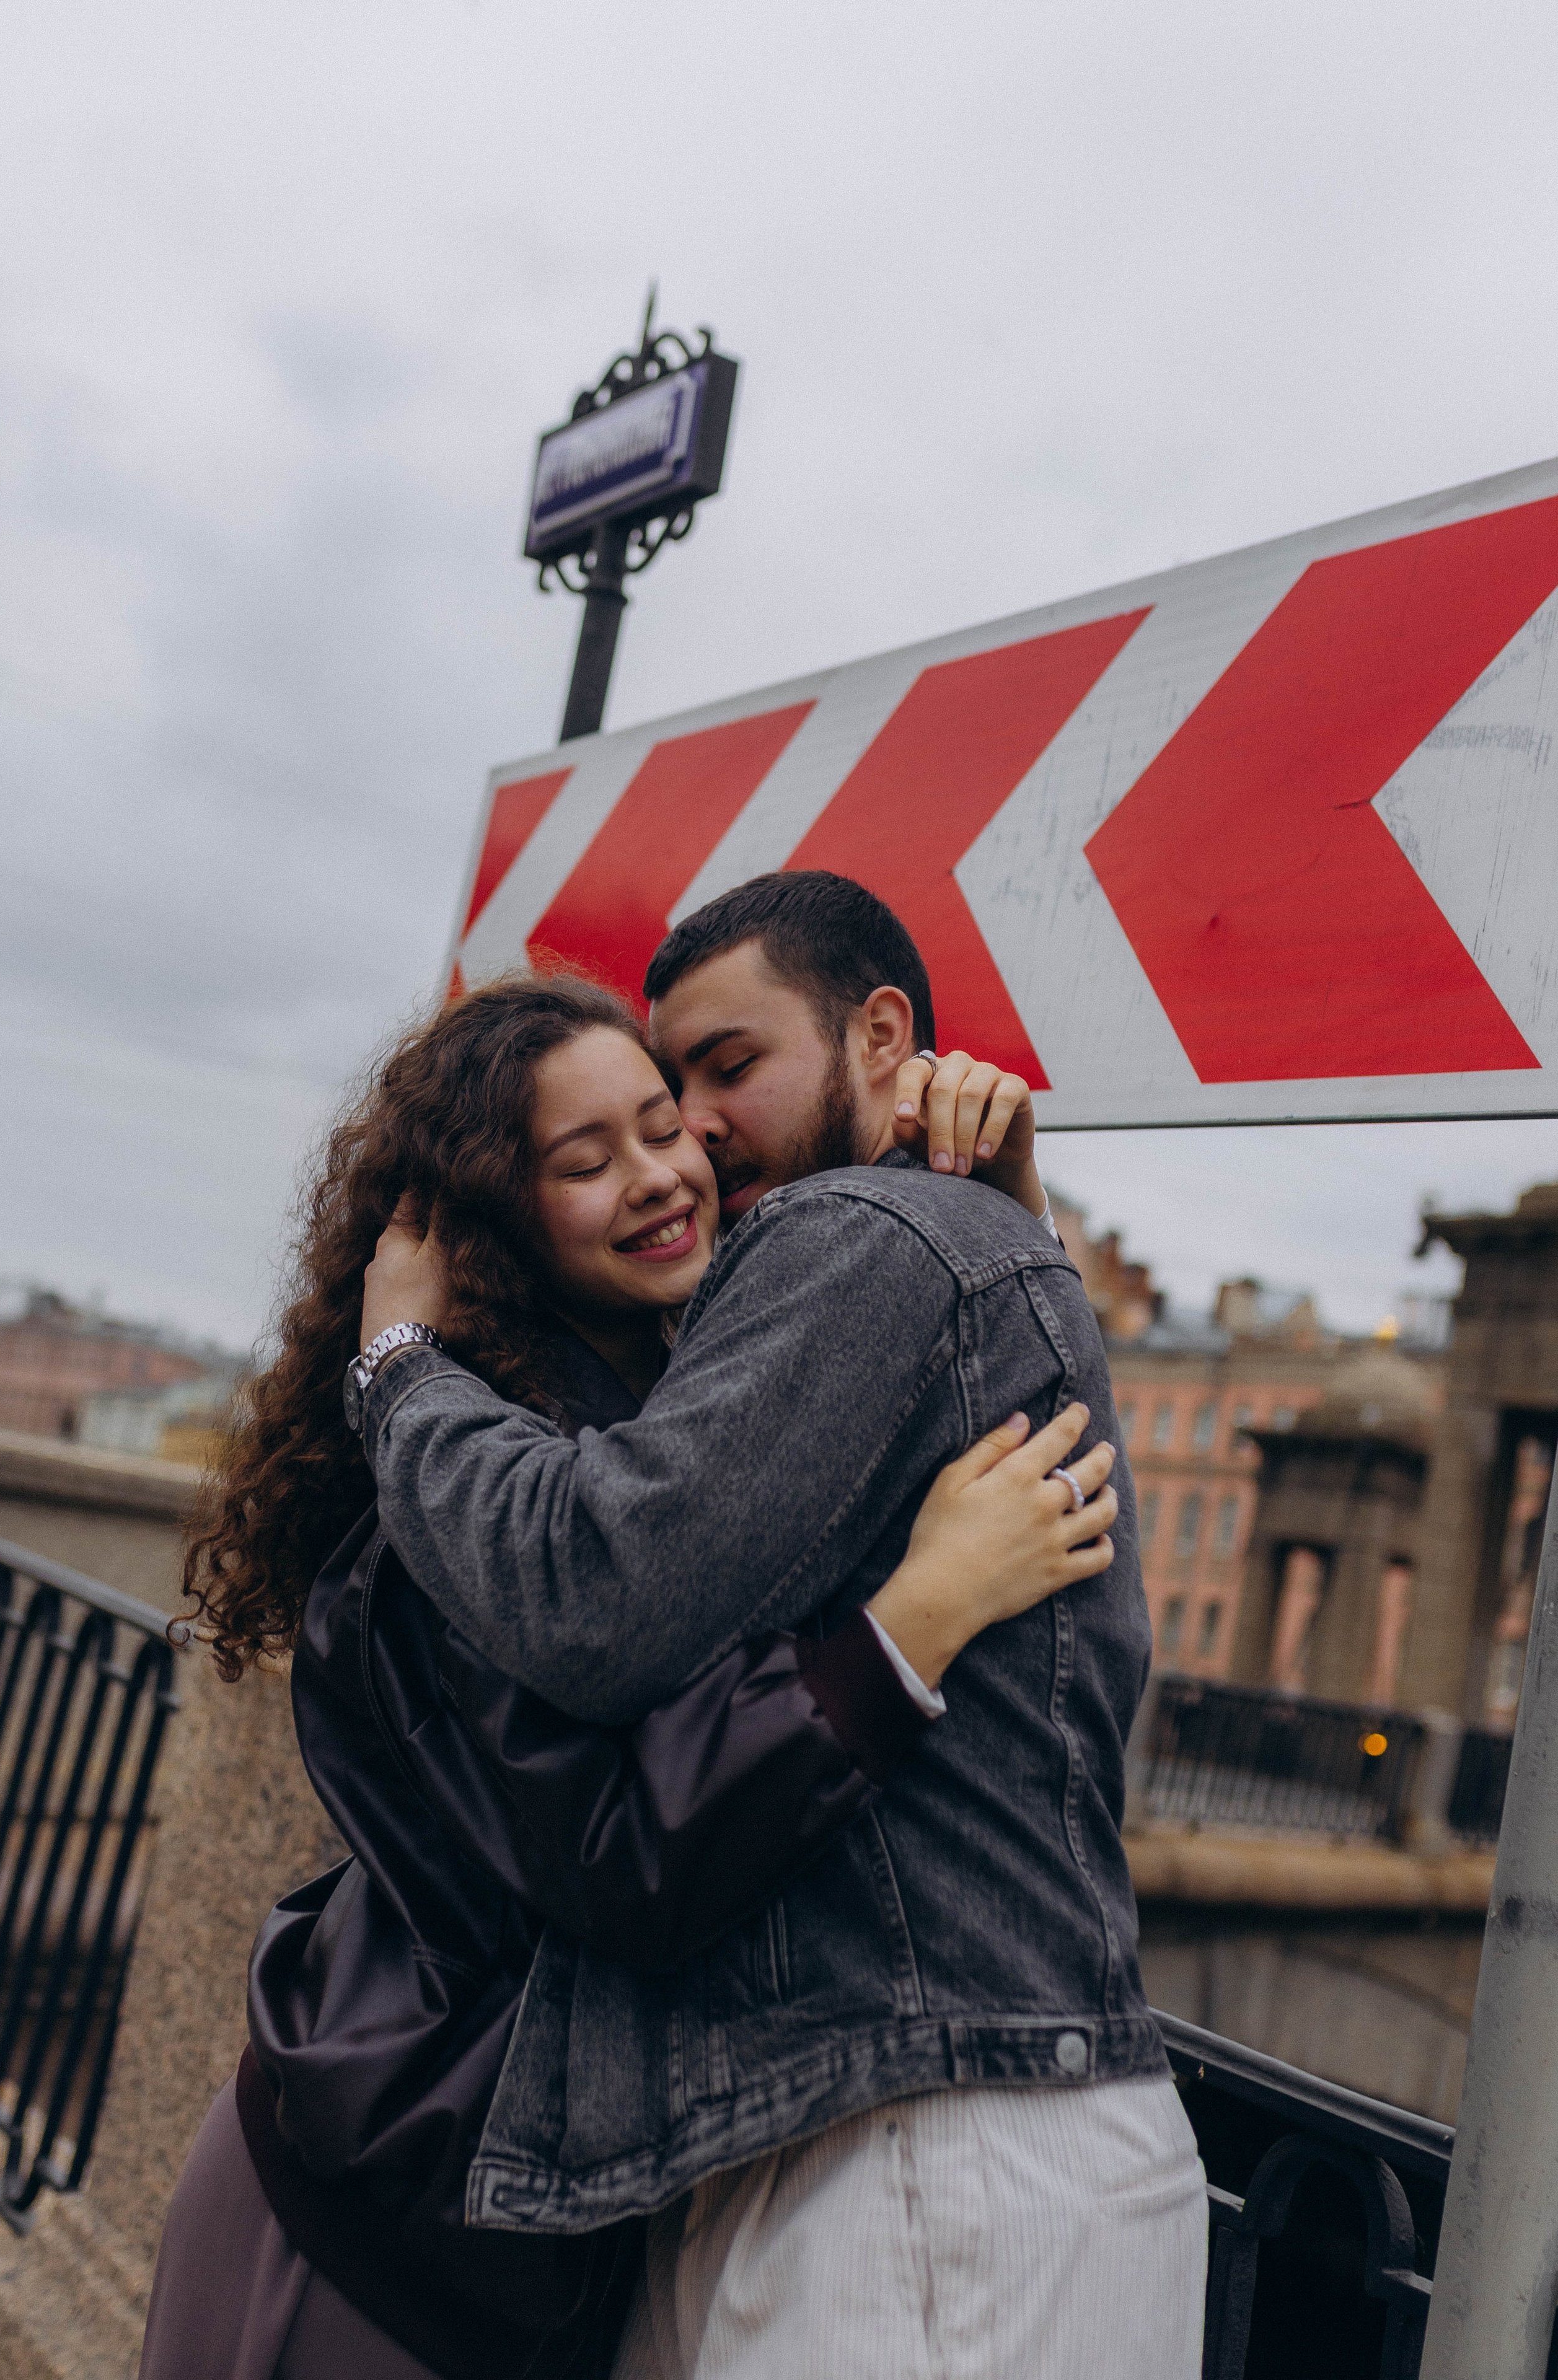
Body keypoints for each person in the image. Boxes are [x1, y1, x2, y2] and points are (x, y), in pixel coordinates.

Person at [143, 971, 1119, 2380]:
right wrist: (912, 1620)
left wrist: (989, 1199)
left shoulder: (657, 1423)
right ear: (494, 1218)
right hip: (379, 2226)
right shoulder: (475, 1501)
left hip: (472, 2206)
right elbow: (616, 1855)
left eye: (665, 1127)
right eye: (582, 1161)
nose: (660, 1176)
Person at [355, 872, 1208, 2380]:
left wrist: (400, 1373)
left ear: (882, 1033)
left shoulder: (865, 1229)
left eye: (727, 1068)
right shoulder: (902, 1241)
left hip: (930, 2144)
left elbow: (589, 1589)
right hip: (879, 2129)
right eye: (664, 1088)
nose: (695, 1126)